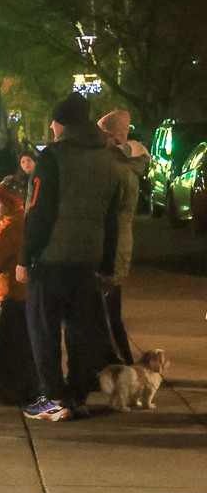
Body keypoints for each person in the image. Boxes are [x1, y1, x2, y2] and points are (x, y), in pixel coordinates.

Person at [17, 92, 123, 421]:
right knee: (80, 332)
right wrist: (106, 264)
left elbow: (38, 212)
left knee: (43, 330)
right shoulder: (108, 161)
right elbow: (112, 218)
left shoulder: (52, 158)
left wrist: (25, 256)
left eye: (52, 121)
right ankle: (77, 395)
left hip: (51, 260)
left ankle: (53, 396)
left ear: (60, 123)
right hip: (87, 260)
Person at [98, 110, 149, 365]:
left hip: (111, 244)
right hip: (118, 242)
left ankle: (123, 364)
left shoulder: (113, 168)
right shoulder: (127, 166)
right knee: (110, 310)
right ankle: (121, 361)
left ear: (114, 137)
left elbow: (106, 212)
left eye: (103, 134)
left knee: (108, 312)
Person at [0, 176, 40, 406]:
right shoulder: (24, 221)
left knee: (3, 341)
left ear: (9, 203)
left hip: (10, 291)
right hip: (23, 292)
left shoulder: (9, 227)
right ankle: (19, 385)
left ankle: (6, 386)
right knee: (20, 341)